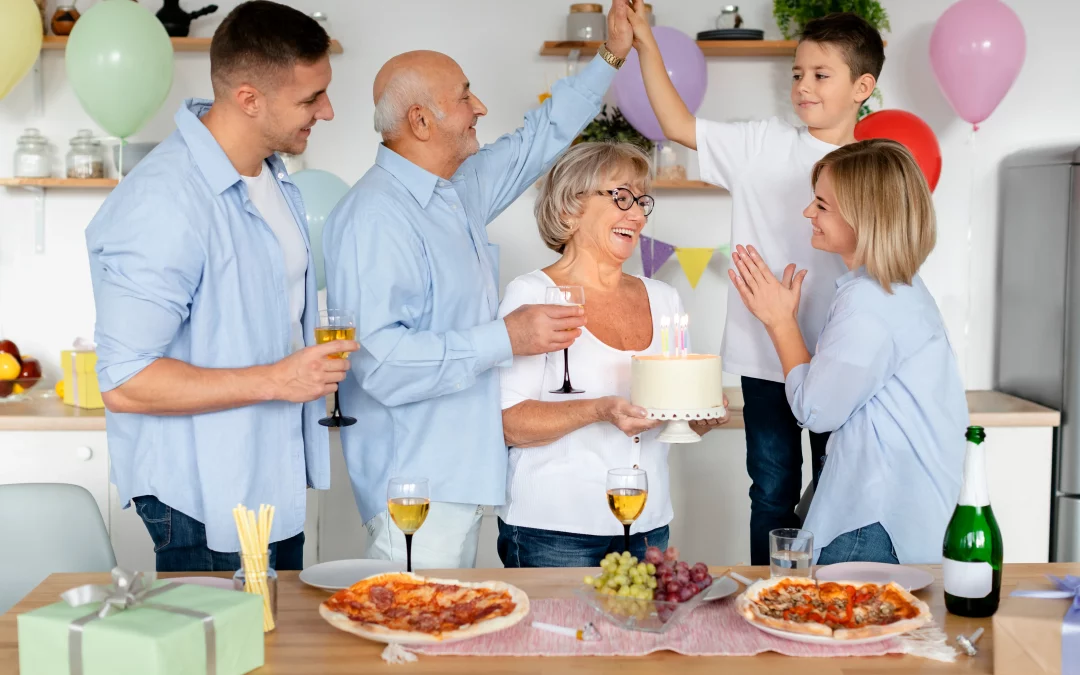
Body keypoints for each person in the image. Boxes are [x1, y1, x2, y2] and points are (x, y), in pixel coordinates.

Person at [322, 4, 635, 569]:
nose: (480, 108)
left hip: (459, 481)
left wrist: (610, 54)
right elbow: (382, 363)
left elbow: (540, 135)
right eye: (465, 96)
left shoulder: (456, 189)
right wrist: (505, 338)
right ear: (420, 120)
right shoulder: (373, 216)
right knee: (414, 646)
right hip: (416, 493)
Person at [86, 0, 356, 572]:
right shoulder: (165, 200)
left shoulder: (271, 176)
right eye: (311, 98)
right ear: (249, 98)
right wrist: (281, 378)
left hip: (269, 474)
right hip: (199, 493)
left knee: (276, 652)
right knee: (216, 659)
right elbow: (126, 383)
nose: (328, 112)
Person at [626, 5, 885, 565]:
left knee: (841, 496)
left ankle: (827, 604)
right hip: (766, 361)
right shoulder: (761, 144)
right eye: (797, 73)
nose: (803, 86)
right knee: (771, 493)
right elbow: (675, 123)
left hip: (842, 363)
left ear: (863, 86)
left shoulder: (874, 169)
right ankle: (768, 606)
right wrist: (645, 41)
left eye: (821, 75)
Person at [729, 139, 966, 564]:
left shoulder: (869, 303)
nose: (808, 213)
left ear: (863, 216)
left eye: (822, 205)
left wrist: (780, 322)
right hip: (895, 510)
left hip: (872, 519)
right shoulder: (899, 290)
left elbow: (816, 411)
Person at [496, 142, 729, 567]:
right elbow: (509, 423)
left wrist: (701, 416)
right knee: (557, 637)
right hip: (554, 529)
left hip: (647, 524)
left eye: (641, 201)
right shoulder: (531, 295)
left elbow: (673, 416)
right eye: (621, 196)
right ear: (569, 208)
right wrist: (600, 409)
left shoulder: (663, 298)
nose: (637, 215)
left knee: (641, 635)